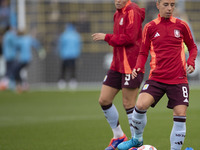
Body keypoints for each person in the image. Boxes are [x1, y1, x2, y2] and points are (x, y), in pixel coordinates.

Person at [117, 0, 198, 150]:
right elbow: (143, 51)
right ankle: (137, 139)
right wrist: (138, 66)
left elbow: (193, 47)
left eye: (172, 5)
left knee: (180, 114)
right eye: (166, 4)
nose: (169, 8)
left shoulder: (182, 25)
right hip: (157, 78)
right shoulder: (150, 27)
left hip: (178, 79)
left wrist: (191, 61)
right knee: (140, 105)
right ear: (158, 5)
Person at [92, 0, 145, 149]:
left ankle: (135, 142)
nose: (117, 1)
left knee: (128, 103)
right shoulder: (117, 13)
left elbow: (130, 38)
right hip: (117, 64)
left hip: (131, 65)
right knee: (104, 99)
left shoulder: (132, 11)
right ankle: (119, 136)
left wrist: (107, 37)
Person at [57, 23, 82, 90]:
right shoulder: (76, 35)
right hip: (73, 55)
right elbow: (79, 45)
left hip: (65, 55)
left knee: (63, 69)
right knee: (73, 68)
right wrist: (78, 53)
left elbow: (60, 45)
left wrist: (60, 53)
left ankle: (62, 81)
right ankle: (73, 81)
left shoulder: (63, 35)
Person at [0, 26, 17, 90]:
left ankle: (7, 84)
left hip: (6, 55)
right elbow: (15, 43)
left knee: (9, 70)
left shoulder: (5, 36)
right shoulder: (10, 35)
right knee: (11, 70)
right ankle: (6, 84)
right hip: (11, 55)